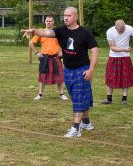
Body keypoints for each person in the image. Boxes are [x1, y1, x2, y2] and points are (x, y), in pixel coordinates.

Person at [23, 7, 99, 138]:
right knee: (77, 97)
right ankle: (86, 122)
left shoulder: (85, 32)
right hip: (68, 69)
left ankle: (75, 129)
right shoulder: (61, 31)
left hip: (82, 69)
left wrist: (91, 69)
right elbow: (46, 33)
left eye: (69, 15)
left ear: (75, 17)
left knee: (79, 97)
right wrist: (34, 31)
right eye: (64, 15)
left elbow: (95, 51)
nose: (65, 18)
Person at [102, 19, 133, 105]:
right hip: (113, 57)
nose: (123, 31)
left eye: (124, 29)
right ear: (116, 27)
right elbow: (112, 47)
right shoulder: (110, 31)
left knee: (126, 78)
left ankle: (124, 99)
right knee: (110, 77)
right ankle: (109, 99)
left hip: (125, 57)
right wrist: (124, 49)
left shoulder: (129, 28)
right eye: (121, 30)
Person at [29, 15, 68, 101]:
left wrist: (63, 52)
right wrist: (37, 52)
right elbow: (31, 43)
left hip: (56, 57)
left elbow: (67, 43)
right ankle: (40, 94)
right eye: (47, 21)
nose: (48, 22)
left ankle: (62, 94)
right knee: (42, 76)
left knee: (60, 76)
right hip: (45, 58)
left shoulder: (57, 32)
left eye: (50, 21)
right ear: (45, 22)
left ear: (53, 22)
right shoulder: (41, 32)